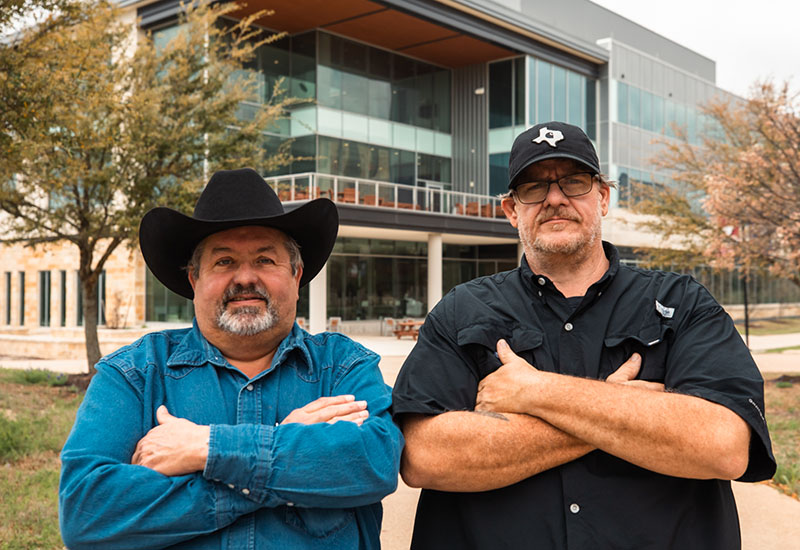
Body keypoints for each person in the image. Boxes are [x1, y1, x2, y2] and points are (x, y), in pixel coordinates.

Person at [391, 122, 775, 549]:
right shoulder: (463, 310)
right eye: (534, 188)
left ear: (603, 196)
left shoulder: (681, 302)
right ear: (511, 210)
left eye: (573, 182)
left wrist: (537, 392)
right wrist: (627, 411)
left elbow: (723, 445)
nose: (555, 198)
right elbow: (424, 457)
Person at [59, 168, 403, 550]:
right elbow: (86, 512)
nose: (244, 278)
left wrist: (205, 449)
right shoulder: (134, 375)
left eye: (264, 260)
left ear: (296, 274)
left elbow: (374, 462)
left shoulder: (344, 368)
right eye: (224, 261)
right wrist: (283, 453)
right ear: (194, 279)